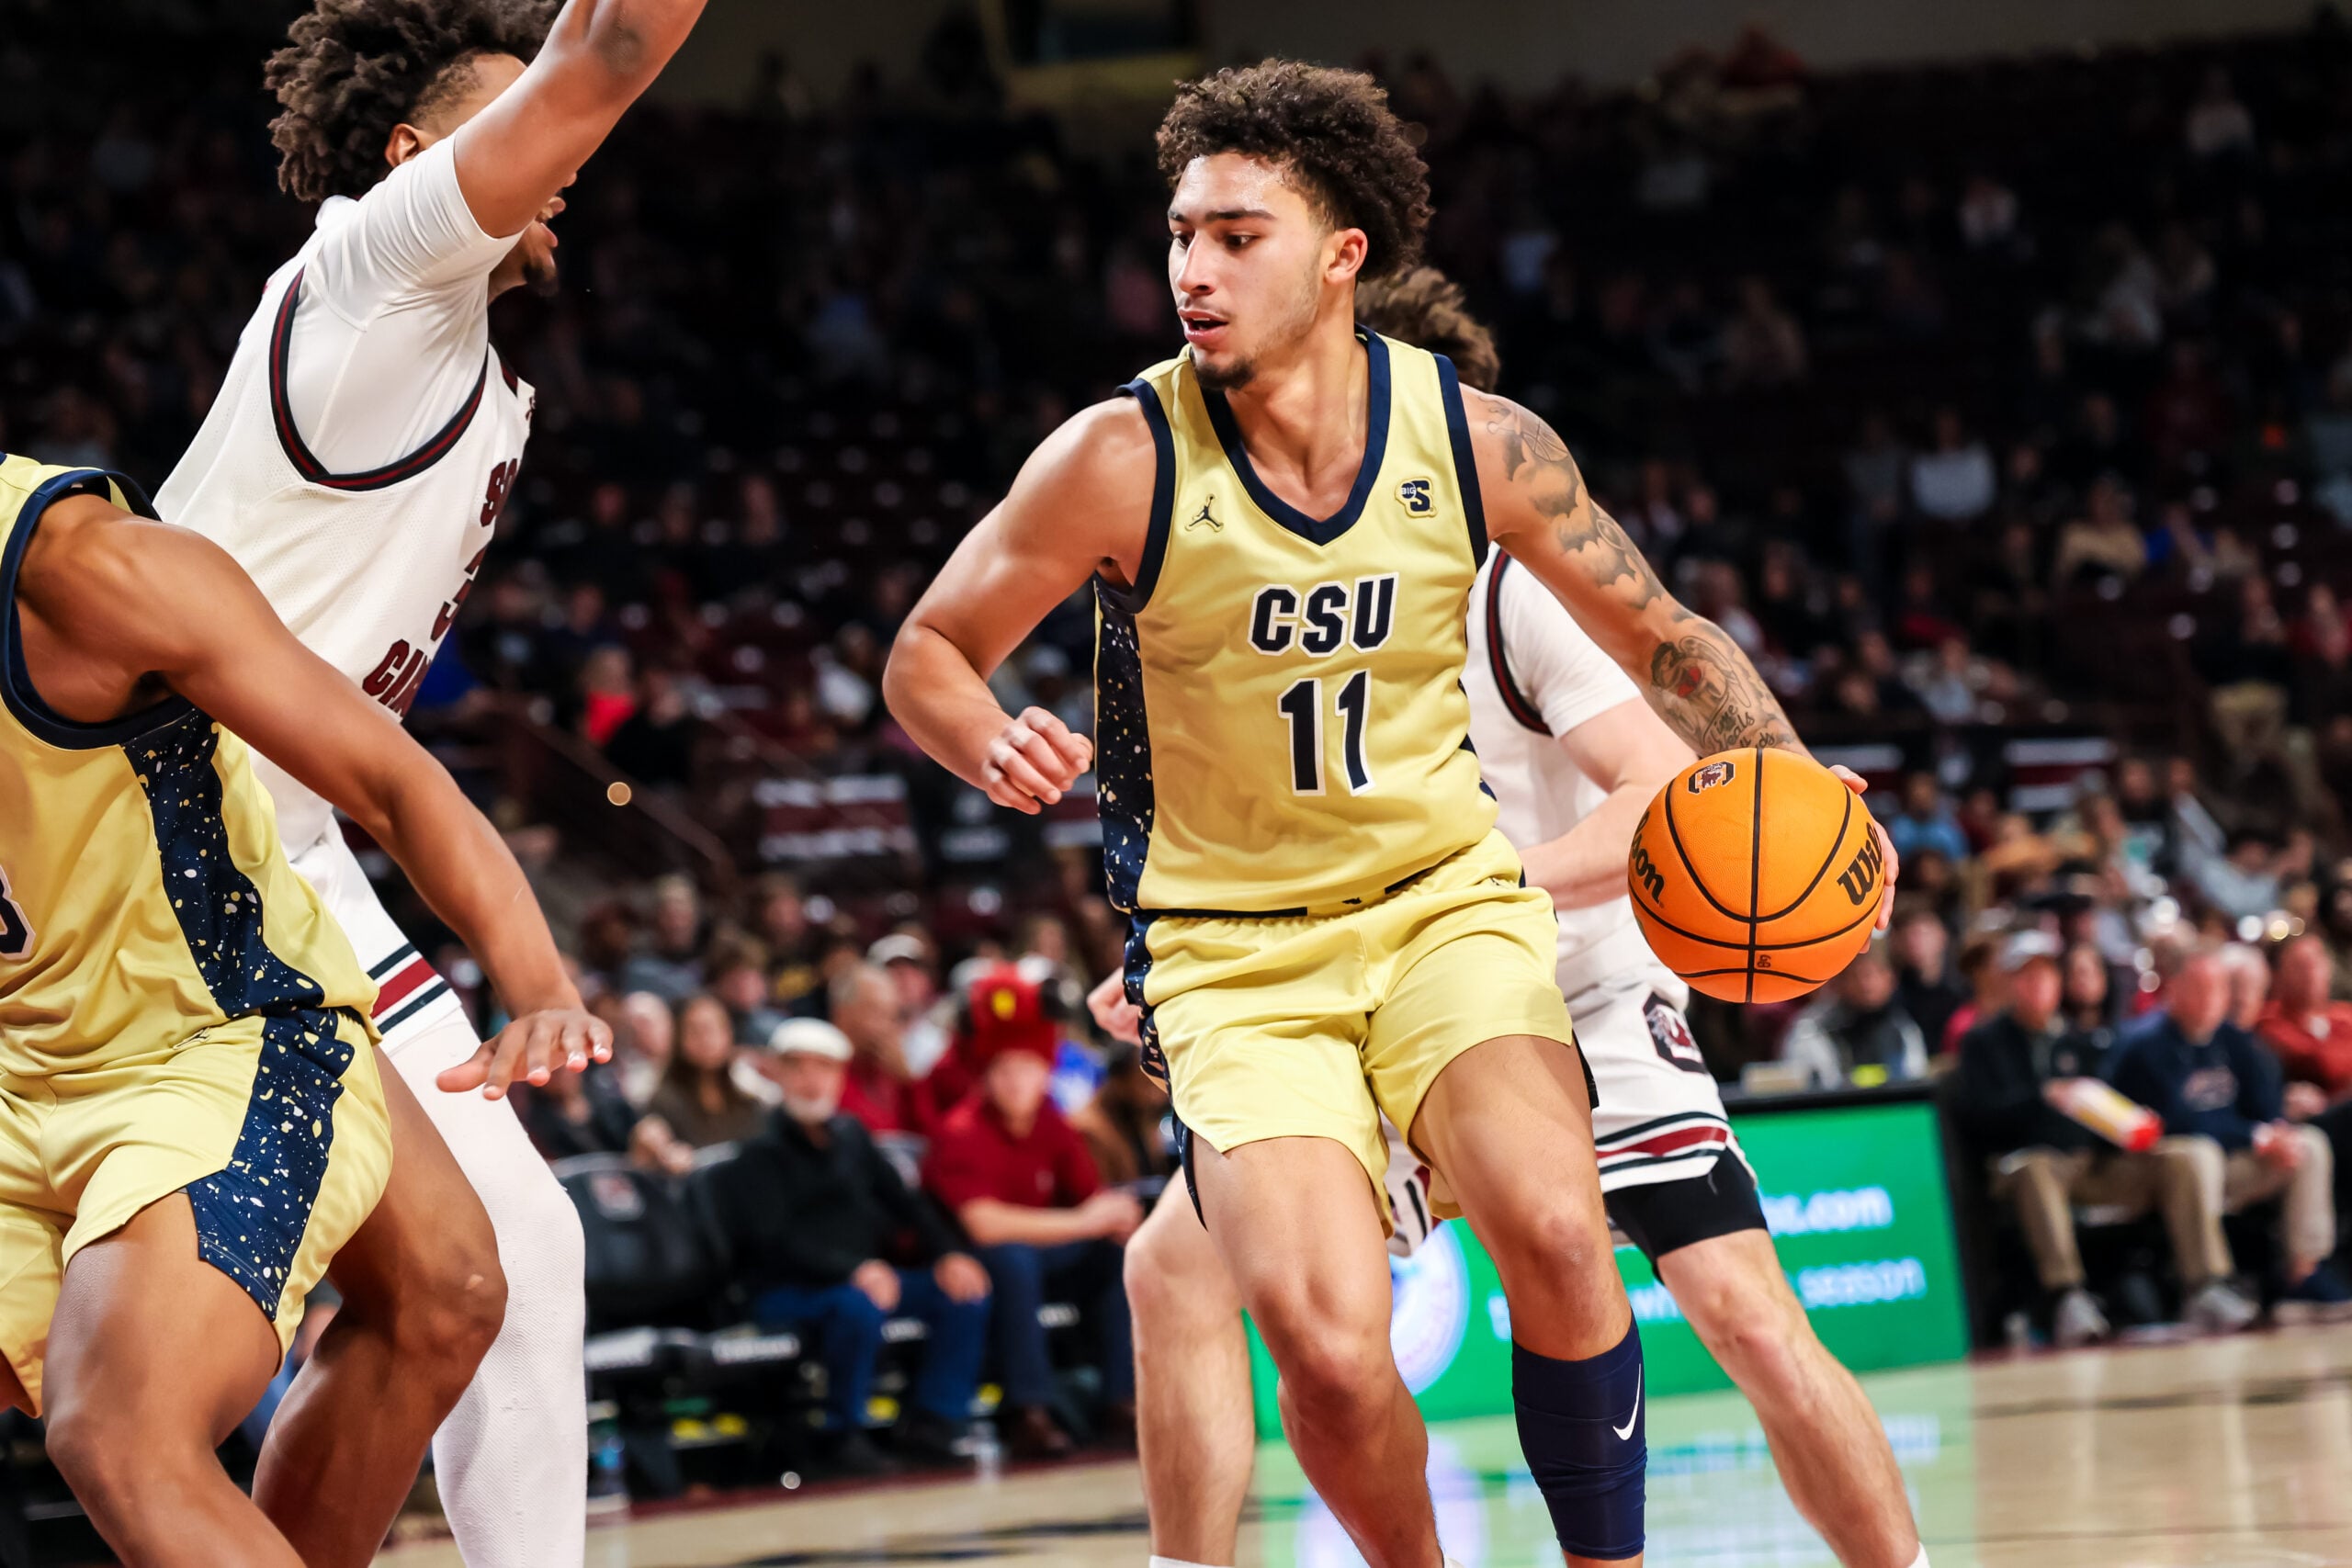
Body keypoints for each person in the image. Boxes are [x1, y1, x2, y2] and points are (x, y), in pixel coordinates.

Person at [885, 62, 1894, 1568]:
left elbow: (1671, 638)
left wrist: (1789, 772)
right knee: (1328, 1342)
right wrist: (985, 735)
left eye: (1238, 234)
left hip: (1446, 910)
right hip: (1234, 953)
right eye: (1180, 234)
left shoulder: (1481, 443)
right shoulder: (1120, 456)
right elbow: (926, 652)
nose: (1193, 270)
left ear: (1345, 251)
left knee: (1561, 1236)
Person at [1096, 262, 1925, 1568]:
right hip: (1361, 1003)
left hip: (1572, 990)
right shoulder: (1261, 596)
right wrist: (1190, 954)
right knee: (1170, 1272)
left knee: (1745, 1311)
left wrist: (1444, 897)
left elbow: (1660, 789)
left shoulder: (1511, 584)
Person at [151, 1, 707, 1559]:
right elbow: (604, 56)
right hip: (161, 831)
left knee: (507, 1263)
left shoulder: (437, 335)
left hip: (290, 841)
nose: (565, 150)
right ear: (416, 156)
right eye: (508, 106)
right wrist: (573, 72)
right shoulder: (379, 266)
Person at [0, 457, 607, 1564]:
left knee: (123, 1433)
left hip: (212, 1035)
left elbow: (389, 779)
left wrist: (536, 985)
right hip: (21, 1066)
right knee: (449, 1291)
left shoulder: (89, 571)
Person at [708, 1020, 992, 1476]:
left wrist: (948, 1253)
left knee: (962, 1292)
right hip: (786, 1291)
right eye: (797, 1067)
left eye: (823, 1067)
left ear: (841, 1077)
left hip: (863, 1280)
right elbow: (772, 1241)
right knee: (855, 1306)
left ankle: (935, 1422)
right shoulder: (758, 1155)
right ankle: (843, 1433)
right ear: (777, 1075)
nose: (810, 1079)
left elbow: (906, 1204)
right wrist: (854, 1270)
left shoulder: (854, 1139)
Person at [1952, 934, 2256, 1345]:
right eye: (2026, 977)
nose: (2038, 985)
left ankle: (2205, 1285)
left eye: (2045, 974)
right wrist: (2043, 1099)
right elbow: (1979, 1119)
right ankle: (2066, 1296)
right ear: (2008, 984)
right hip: (2025, 1162)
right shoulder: (1983, 1043)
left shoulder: (2081, 1039)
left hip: (2091, 1163)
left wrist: (2129, 1122)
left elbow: (2107, 1106)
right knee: (2036, 1169)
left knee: (2186, 1154)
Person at [922, 967, 1141, 1461]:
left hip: (1049, 1253)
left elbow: (1097, 1200)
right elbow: (985, 1224)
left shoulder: (1052, 1120)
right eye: (1004, 1070)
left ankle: (1121, 1400)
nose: (1017, 1082)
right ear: (987, 1074)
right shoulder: (961, 1130)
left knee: (1116, 1258)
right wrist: (1088, 1222)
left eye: (1027, 1068)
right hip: (980, 1261)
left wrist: (1107, 1219)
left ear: (1045, 1069)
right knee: (1012, 1259)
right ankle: (1030, 1412)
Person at [2110, 951, 2348, 1313]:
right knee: (2198, 1152)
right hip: (2166, 1169)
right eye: (2199, 988)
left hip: (2230, 1163)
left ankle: (2303, 1272)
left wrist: (2276, 1133)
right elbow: (2177, 1119)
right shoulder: (2145, 1044)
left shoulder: (2234, 1041)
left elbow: (2265, 1104)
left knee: (2308, 1144)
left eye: (2217, 989)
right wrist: (2254, 1136)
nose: (2210, 998)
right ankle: (2207, 1284)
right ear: (2173, 990)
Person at [1780, 942, 1929, 1089]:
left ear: (1891, 979)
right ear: (1840, 981)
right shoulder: (1811, 1029)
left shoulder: (1903, 1028)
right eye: (1858, 975)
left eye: (1876, 973)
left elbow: (1913, 1081)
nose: (1867, 984)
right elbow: (1807, 1088)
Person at [643, 993, 764, 1149]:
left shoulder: (747, 1094)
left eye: (715, 1028)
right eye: (696, 1031)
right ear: (679, 1037)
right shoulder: (663, 1102)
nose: (707, 1040)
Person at [2258, 935, 2352, 1101]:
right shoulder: (2269, 1020)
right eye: (2300, 966)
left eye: (2316, 964)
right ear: (2280, 975)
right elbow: (2324, 1065)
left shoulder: (2345, 1015)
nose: (2311, 973)